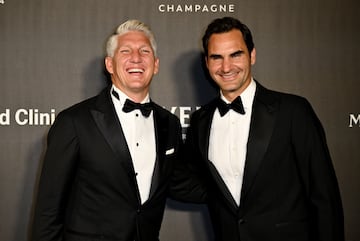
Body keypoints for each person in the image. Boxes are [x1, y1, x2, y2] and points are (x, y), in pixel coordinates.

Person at [182, 17, 344, 241]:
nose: (226, 67)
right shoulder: (201, 121)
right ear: (207, 63)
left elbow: (324, 196)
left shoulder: (293, 111)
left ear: (252, 55)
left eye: (235, 54)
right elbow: (195, 181)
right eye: (216, 57)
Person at [31, 19, 183, 241]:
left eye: (144, 51)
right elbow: (48, 209)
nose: (136, 58)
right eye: (125, 51)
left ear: (156, 64)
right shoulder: (73, 122)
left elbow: (180, 182)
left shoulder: (169, 123)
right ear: (109, 64)